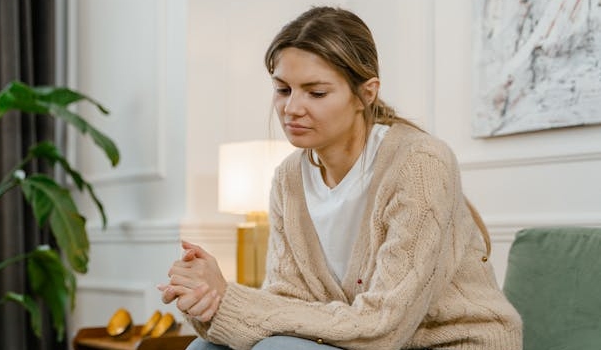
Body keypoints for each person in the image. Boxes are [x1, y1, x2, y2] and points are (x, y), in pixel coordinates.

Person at [158, 6, 523, 350]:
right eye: (283, 89)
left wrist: (231, 298)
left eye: (316, 92)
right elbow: (288, 303)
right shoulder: (288, 178)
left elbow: (384, 326)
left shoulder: (421, 163)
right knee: (205, 347)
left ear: (366, 93)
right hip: (350, 341)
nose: (292, 108)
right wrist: (206, 302)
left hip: (445, 343)